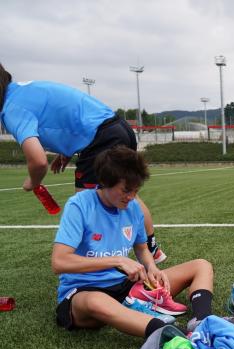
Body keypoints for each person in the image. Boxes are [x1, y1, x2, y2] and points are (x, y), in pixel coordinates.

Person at [0, 63, 166, 263]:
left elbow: (38, 161)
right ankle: (150, 249)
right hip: (117, 128)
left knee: (87, 202)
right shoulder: (23, 90)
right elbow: (64, 114)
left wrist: (32, 182)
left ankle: (97, 261)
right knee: (128, 193)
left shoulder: (11, 109)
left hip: (101, 139)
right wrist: (68, 149)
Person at [51, 146, 221, 338]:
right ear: (105, 182)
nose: (131, 197)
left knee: (201, 265)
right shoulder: (79, 205)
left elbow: (141, 248)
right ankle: (183, 336)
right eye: (126, 190)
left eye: (136, 190)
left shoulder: (133, 208)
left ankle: (203, 321)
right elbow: (59, 262)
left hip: (129, 290)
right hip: (83, 293)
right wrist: (117, 261)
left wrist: (151, 268)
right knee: (97, 302)